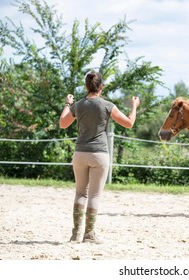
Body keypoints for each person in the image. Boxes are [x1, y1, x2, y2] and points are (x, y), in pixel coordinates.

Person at [59, 70, 140, 243]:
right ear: (101, 86)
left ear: (86, 86)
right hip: (99, 154)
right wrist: (134, 107)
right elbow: (129, 123)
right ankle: (89, 235)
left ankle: (75, 235)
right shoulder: (107, 105)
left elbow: (63, 123)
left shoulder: (78, 105)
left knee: (80, 192)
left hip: (80, 153)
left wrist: (67, 104)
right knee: (95, 195)